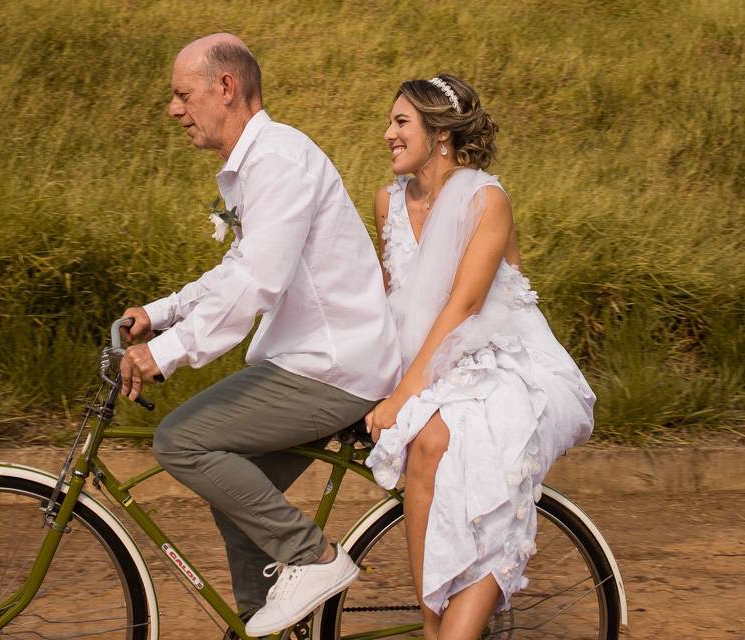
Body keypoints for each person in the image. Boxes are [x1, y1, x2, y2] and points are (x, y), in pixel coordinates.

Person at [118, 33, 403, 637]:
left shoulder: (278, 159)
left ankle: (314, 557)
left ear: (226, 88)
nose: (173, 110)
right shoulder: (263, 160)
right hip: (310, 361)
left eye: (181, 94)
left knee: (179, 441)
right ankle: (265, 624)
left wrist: (165, 354)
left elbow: (255, 282)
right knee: (235, 495)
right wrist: (162, 312)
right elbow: (240, 266)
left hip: (333, 366)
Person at [363, 75, 595, 640]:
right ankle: (432, 624)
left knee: (471, 447)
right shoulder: (385, 203)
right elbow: (396, 305)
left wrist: (404, 395)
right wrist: (385, 386)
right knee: (427, 443)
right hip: (433, 365)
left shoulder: (486, 199)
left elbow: (465, 304)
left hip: (502, 359)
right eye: (390, 122)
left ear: (440, 134)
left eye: (401, 123)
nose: (388, 133)